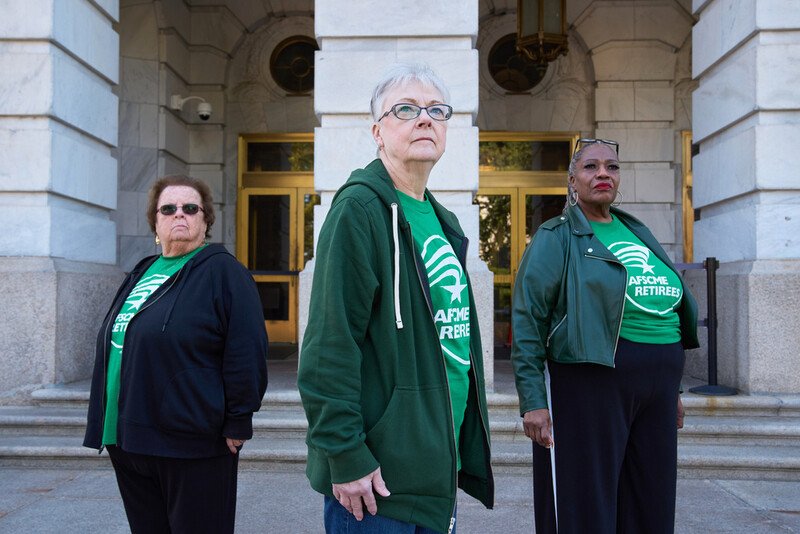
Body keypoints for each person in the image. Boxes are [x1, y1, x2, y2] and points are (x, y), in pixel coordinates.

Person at [298, 64, 494, 534]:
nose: (424, 119)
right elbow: (330, 346)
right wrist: (345, 456)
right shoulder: (358, 210)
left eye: (436, 111)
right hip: (377, 484)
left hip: (432, 469)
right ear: (378, 132)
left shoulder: (443, 222)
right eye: (405, 109)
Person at [511, 139, 699, 534]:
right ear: (573, 180)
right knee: (586, 501)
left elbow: (663, 309)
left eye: (611, 167)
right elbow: (529, 320)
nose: (602, 174)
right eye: (591, 167)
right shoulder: (557, 236)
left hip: (658, 385)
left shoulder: (636, 230)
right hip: (590, 380)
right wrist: (532, 399)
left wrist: (674, 389)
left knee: (652, 498)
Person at [83, 174, 269, 534]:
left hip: (192, 441)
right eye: (168, 209)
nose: (178, 215)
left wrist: (238, 419)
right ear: (155, 220)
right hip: (128, 440)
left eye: (190, 208)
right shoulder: (142, 271)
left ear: (205, 220)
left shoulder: (224, 272)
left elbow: (247, 350)